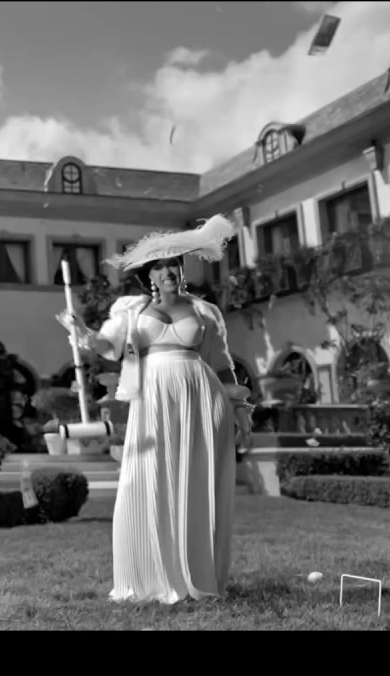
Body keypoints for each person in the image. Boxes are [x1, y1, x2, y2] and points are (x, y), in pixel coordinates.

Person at [57, 215, 253, 604]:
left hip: (203, 398)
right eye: (160, 266)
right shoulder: (131, 310)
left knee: (198, 486)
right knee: (145, 480)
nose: (169, 272)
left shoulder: (204, 312)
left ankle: (197, 577)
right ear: (148, 275)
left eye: (174, 264)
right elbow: (108, 346)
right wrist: (82, 332)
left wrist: (240, 408)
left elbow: (222, 364)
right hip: (152, 401)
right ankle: (149, 578)